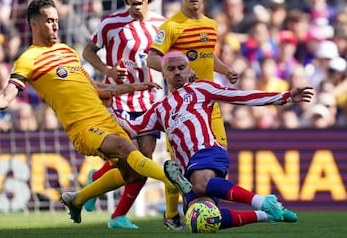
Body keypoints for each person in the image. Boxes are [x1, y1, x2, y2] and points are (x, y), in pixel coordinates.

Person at [0, 0, 192, 225]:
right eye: (49, 20)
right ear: (34, 24)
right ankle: (170, 178)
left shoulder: (67, 51)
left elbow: (96, 88)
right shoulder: (28, 59)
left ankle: (76, 199)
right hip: (82, 126)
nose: (55, 24)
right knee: (126, 148)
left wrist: (133, 87)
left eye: (56, 20)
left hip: (105, 118)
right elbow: (5, 97)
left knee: (133, 175)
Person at [113, 51, 314, 230]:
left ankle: (261, 202)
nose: (177, 72)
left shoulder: (201, 88)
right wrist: (107, 110)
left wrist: (285, 96)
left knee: (201, 183)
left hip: (207, 151)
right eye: (171, 69)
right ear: (163, 74)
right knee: (201, 220)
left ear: (188, 69)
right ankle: (265, 215)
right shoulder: (159, 109)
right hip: (187, 169)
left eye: (181, 68)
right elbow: (133, 127)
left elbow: (241, 96)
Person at [146, 0, 238, 229]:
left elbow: (207, 56)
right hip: (182, 108)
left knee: (220, 158)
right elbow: (151, 57)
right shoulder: (171, 26)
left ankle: (207, 210)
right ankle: (173, 213)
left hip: (209, 105)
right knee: (180, 165)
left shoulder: (211, 24)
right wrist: (177, 67)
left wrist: (225, 69)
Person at [81, 0, 166, 229]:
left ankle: (114, 208)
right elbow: (87, 51)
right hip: (120, 100)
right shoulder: (111, 23)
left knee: (145, 160)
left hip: (150, 101)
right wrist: (107, 70)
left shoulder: (162, 25)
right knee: (128, 156)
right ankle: (105, 196)